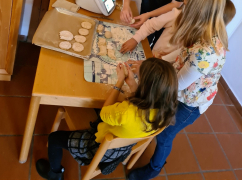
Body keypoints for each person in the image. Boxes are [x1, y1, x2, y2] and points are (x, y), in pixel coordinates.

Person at [128, 0, 231, 180]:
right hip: (181, 87)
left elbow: (175, 86)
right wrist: (149, 64)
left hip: (190, 103)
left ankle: (154, 168)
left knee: (165, 134)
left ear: (197, 10)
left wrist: (146, 74)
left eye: (186, 4)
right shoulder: (201, 29)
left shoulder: (206, 53)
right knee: (159, 122)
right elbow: (179, 56)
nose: (181, 7)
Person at [36, 58, 178, 180]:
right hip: (123, 145)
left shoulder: (127, 111)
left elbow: (105, 113)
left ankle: (55, 174)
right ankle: (113, 158)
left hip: (97, 144)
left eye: (139, 79)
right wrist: (133, 85)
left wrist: (120, 82)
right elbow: (145, 101)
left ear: (146, 89)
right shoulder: (165, 114)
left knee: (54, 138)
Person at [120, 0, 235, 64]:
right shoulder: (177, 15)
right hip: (154, 59)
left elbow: (182, 56)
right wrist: (135, 39)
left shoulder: (204, 41)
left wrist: (160, 60)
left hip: (167, 71)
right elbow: (151, 25)